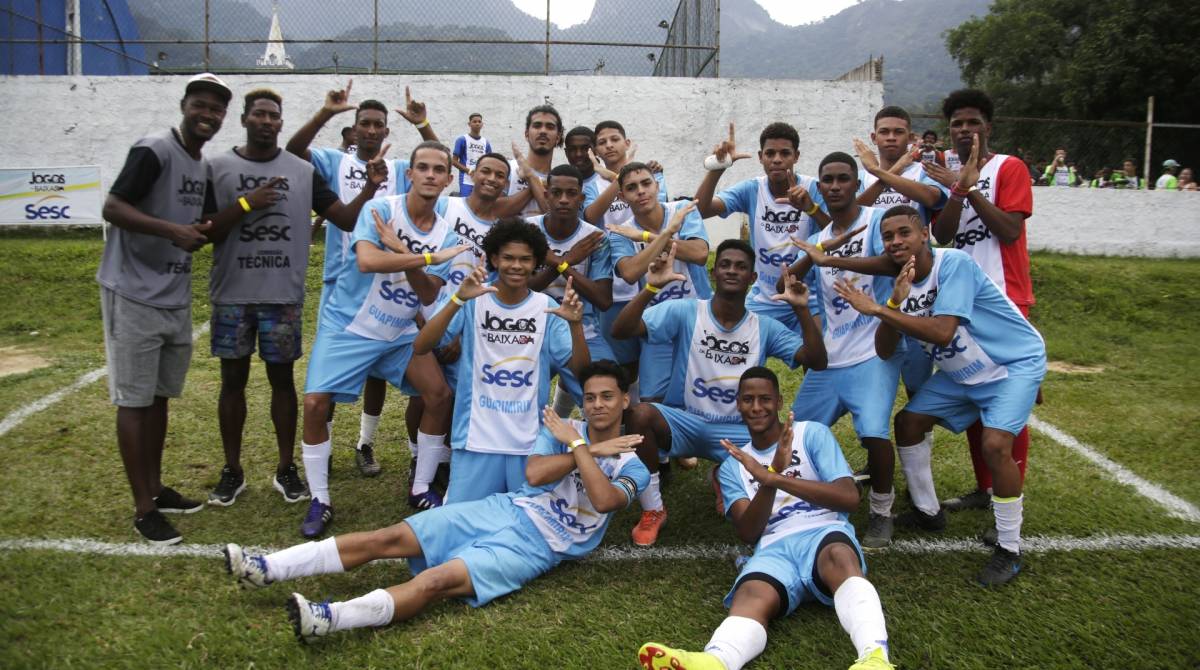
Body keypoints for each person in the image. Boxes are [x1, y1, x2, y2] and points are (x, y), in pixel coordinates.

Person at [223, 361, 649, 643]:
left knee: (436, 583)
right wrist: (584, 447)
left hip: (540, 545)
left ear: (625, 400)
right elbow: (534, 475)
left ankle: (330, 618)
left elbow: (603, 499)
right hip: (507, 508)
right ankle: (268, 568)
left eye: (607, 397)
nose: (596, 405)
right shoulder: (564, 427)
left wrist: (576, 447)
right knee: (388, 537)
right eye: (590, 397)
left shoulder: (634, 464)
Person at [833, 205, 1046, 586]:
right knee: (908, 422)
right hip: (963, 373)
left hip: (1008, 366)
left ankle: (1009, 549)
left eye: (904, 233)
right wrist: (892, 305)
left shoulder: (954, 265)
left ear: (924, 235)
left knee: (995, 444)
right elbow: (884, 350)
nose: (896, 242)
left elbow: (944, 331)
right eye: (889, 236)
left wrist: (879, 308)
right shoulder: (900, 281)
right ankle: (928, 512)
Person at [637, 367, 893, 670]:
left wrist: (776, 478)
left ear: (780, 401)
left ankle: (874, 658)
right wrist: (769, 478)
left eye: (764, 399)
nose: (756, 407)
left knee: (840, 556)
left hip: (823, 531)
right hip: (774, 546)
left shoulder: (811, 434)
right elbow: (748, 531)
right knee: (751, 593)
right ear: (738, 404)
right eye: (748, 400)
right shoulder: (734, 465)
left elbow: (849, 497)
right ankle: (713, 661)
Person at [202, 88, 384, 507]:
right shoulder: (219, 167)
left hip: (282, 293)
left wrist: (369, 189)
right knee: (232, 382)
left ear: (281, 123)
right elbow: (206, 230)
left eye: (274, 116)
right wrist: (248, 202)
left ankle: (287, 469)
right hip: (232, 291)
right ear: (245, 119)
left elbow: (343, 216)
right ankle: (232, 470)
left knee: (282, 381)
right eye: (260, 114)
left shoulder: (300, 171)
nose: (267, 121)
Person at [297, 141, 469, 536]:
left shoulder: (445, 233)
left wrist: (404, 251)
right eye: (421, 167)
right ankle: (320, 498)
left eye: (437, 169)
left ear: (447, 179)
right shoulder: (380, 209)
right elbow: (367, 261)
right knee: (314, 403)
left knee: (439, 396)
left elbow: (427, 294)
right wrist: (423, 258)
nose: (429, 174)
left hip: (400, 330)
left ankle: (421, 486)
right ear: (409, 174)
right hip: (350, 326)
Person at [612, 239, 826, 546]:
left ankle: (726, 472)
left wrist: (802, 310)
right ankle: (653, 510)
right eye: (725, 264)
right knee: (640, 414)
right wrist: (650, 289)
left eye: (741, 267)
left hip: (739, 433)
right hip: (685, 422)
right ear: (714, 272)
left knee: (782, 451)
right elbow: (622, 330)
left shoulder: (763, 326)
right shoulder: (687, 311)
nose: (732, 271)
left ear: (752, 279)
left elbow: (817, 361)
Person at [96, 73, 232, 544]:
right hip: (132, 291)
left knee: (158, 397)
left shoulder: (202, 167)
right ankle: (142, 509)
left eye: (216, 109)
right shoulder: (155, 148)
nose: (208, 115)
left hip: (174, 294)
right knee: (133, 400)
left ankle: (155, 488)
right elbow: (113, 207)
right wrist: (171, 232)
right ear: (184, 105)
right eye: (201, 105)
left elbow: (205, 226)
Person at [286, 81, 438, 477]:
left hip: (390, 285)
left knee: (384, 369)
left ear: (387, 131)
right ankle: (327, 447)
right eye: (365, 124)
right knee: (329, 377)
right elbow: (292, 153)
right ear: (354, 130)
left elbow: (440, 166)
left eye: (378, 125)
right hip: (343, 285)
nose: (371, 130)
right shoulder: (335, 162)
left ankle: (365, 443)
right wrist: (325, 113)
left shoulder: (403, 169)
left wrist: (423, 125)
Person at [412, 218, 590, 503]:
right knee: (464, 525)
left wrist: (576, 326)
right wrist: (457, 299)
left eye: (525, 259)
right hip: (475, 439)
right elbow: (422, 345)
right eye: (508, 258)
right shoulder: (473, 300)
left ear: (535, 264)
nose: (516, 266)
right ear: (494, 258)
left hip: (529, 442)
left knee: (524, 525)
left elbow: (581, 371)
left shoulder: (545, 308)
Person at [921, 89, 1036, 516]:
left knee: (1007, 401)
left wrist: (970, 191)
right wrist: (954, 190)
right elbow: (945, 236)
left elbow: (1008, 230)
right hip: (960, 302)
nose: (965, 130)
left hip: (1004, 299)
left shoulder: (1010, 167)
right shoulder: (945, 174)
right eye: (957, 124)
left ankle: (1008, 496)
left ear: (988, 127)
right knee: (973, 388)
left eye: (973, 122)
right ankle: (985, 487)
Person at [780, 152, 899, 548]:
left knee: (874, 434)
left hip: (872, 354)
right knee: (794, 432)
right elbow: (792, 277)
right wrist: (808, 262)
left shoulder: (877, 223)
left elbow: (896, 263)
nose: (834, 186)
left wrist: (830, 256)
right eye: (827, 180)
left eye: (843, 178)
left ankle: (882, 510)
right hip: (832, 357)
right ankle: (792, 497)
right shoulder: (819, 236)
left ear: (857, 185)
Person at [693, 122, 830, 331]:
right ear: (760, 157)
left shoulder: (813, 188)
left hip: (808, 294)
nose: (777, 159)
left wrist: (811, 209)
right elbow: (701, 210)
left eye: (785, 153)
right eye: (770, 153)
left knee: (819, 358)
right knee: (738, 351)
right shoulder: (752, 189)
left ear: (797, 156)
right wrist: (717, 168)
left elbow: (839, 232)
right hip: (764, 299)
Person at [607, 164, 712, 403]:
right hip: (656, 322)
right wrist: (666, 234)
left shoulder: (682, 211)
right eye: (632, 188)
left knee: (702, 394)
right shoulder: (621, 232)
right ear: (622, 196)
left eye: (646, 183)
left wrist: (647, 238)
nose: (641, 191)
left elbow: (700, 253)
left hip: (700, 317)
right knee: (651, 401)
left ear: (657, 185)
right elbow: (631, 272)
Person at [526, 164, 615, 416]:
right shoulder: (528, 231)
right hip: (532, 325)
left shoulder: (596, 238)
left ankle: (605, 451)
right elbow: (521, 290)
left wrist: (561, 262)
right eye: (556, 192)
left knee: (607, 390)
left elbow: (602, 299)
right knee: (520, 396)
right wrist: (566, 262)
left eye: (571, 193)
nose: (563, 199)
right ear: (546, 195)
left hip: (581, 328)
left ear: (582, 198)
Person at [591, 120, 670, 398]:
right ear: (596, 149)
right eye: (602, 142)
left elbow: (661, 217)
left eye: (615, 139)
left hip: (649, 277)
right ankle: (626, 413)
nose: (609, 145)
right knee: (620, 362)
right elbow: (591, 217)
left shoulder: (651, 175)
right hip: (613, 281)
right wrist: (615, 179)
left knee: (650, 352)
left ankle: (641, 409)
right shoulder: (592, 183)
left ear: (627, 143)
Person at [853, 107, 949, 226]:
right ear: (874, 138)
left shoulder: (924, 170)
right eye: (884, 132)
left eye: (898, 132)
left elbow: (933, 199)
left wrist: (875, 170)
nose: (891, 137)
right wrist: (895, 169)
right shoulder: (862, 177)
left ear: (910, 138)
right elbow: (850, 216)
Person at [500, 104, 563, 217]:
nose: (543, 131)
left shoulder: (559, 181)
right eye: (537, 125)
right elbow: (495, 212)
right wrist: (536, 184)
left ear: (558, 138)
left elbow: (555, 218)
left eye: (550, 127)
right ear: (526, 134)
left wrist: (530, 176)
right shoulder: (508, 169)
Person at [451, 113, 491, 197]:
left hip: (481, 179)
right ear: (469, 124)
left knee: (480, 203)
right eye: (474, 121)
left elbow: (490, 161)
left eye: (479, 122)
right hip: (466, 179)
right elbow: (454, 161)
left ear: (482, 124)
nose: (477, 123)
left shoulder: (486, 142)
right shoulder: (462, 140)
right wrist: (469, 171)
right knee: (465, 202)